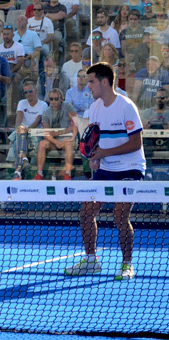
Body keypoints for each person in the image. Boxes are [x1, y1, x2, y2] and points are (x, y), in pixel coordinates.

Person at [64, 62, 146, 281]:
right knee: (86, 212)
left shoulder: (126, 106)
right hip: (106, 168)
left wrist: (103, 154)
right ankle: (91, 261)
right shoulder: (95, 108)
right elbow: (95, 141)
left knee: (120, 216)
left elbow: (136, 143)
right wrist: (94, 158)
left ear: (104, 82)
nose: (87, 85)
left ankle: (127, 264)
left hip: (131, 168)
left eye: (91, 81)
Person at [35, 88, 78, 180]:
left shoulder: (67, 106)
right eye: (51, 99)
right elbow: (46, 132)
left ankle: (68, 173)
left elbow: (76, 122)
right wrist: (55, 141)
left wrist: (62, 132)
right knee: (42, 143)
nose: (53, 101)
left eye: (56, 99)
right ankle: (39, 173)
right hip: (53, 140)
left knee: (68, 143)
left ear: (61, 99)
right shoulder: (46, 111)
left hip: (67, 138)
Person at [11, 81, 47, 180]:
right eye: (25, 92)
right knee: (19, 134)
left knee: (16, 143)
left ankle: (18, 169)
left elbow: (38, 120)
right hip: (23, 133)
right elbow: (19, 117)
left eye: (30, 91)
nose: (28, 94)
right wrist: (19, 127)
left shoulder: (43, 104)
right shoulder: (22, 103)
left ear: (36, 91)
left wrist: (28, 129)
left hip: (36, 132)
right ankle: (24, 161)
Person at [65, 69, 94, 136]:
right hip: (74, 119)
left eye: (83, 76)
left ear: (87, 79)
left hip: (88, 119)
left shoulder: (91, 91)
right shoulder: (70, 92)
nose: (81, 78)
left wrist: (75, 105)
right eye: (79, 76)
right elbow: (68, 109)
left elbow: (91, 107)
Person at [14, 15, 43, 81]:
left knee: (27, 64)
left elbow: (38, 50)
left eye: (22, 19)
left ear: (27, 22)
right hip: (15, 59)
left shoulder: (33, 34)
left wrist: (31, 56)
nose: (19, 21)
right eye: (18, 20)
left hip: (28, 58)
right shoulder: (13, 35)